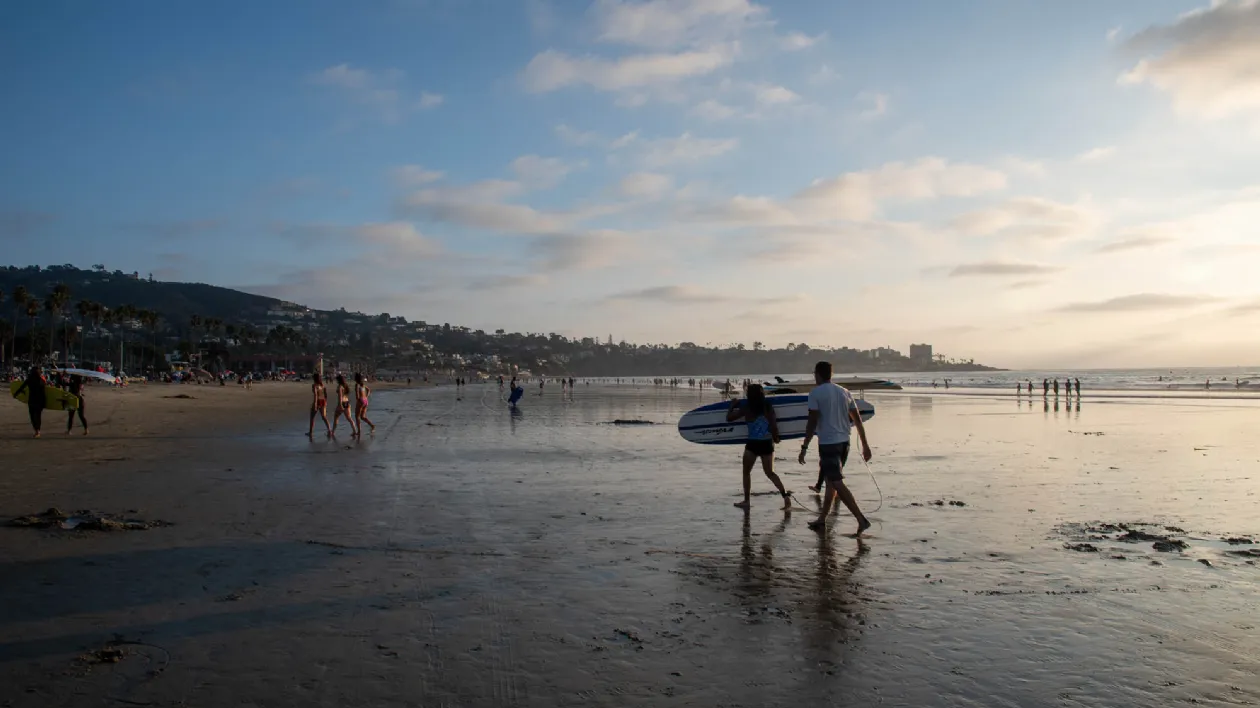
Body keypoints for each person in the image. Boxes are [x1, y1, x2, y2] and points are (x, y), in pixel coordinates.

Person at [798, 361, 872, 535]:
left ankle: (861, 519)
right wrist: (865, 445)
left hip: (828, 444)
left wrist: (804, 446)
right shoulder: (844, 392)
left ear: (817, 374)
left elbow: (812, 421)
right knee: (831, 483)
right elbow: (857, 420)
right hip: (844, 443)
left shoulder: (815, 393)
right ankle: (822, 520)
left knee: (836, 482)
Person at [726, 384, 791, 510]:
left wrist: (731, 406)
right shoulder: (768, 407)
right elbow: (773, 425)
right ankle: (786, 497)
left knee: (746, 473)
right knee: (770, 473)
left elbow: (729, 418)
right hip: (766, 443)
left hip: (752, 444)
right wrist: (776, 438)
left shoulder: (747, 408)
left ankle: (747, 501)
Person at [14, 366, 47, 438]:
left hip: (32, 400)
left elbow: (22, 387)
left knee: (33, 416)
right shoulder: (41, 380)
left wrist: (16, 394)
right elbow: (44, 392)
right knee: (37, 416)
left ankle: (37, 430)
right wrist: (44, 403)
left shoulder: (30, 379)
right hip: (39, 401)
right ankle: (37, 431)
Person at [308, 373, 332, 438]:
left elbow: (316, 395)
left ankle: (310, 432)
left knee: (312, 417)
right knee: (324, 417)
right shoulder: (322, 385)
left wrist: (315, 404)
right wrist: (326, 402)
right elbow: (325, 394)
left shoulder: (314, 385)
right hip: (323, 401)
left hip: (318, 401)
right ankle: (329, 430)